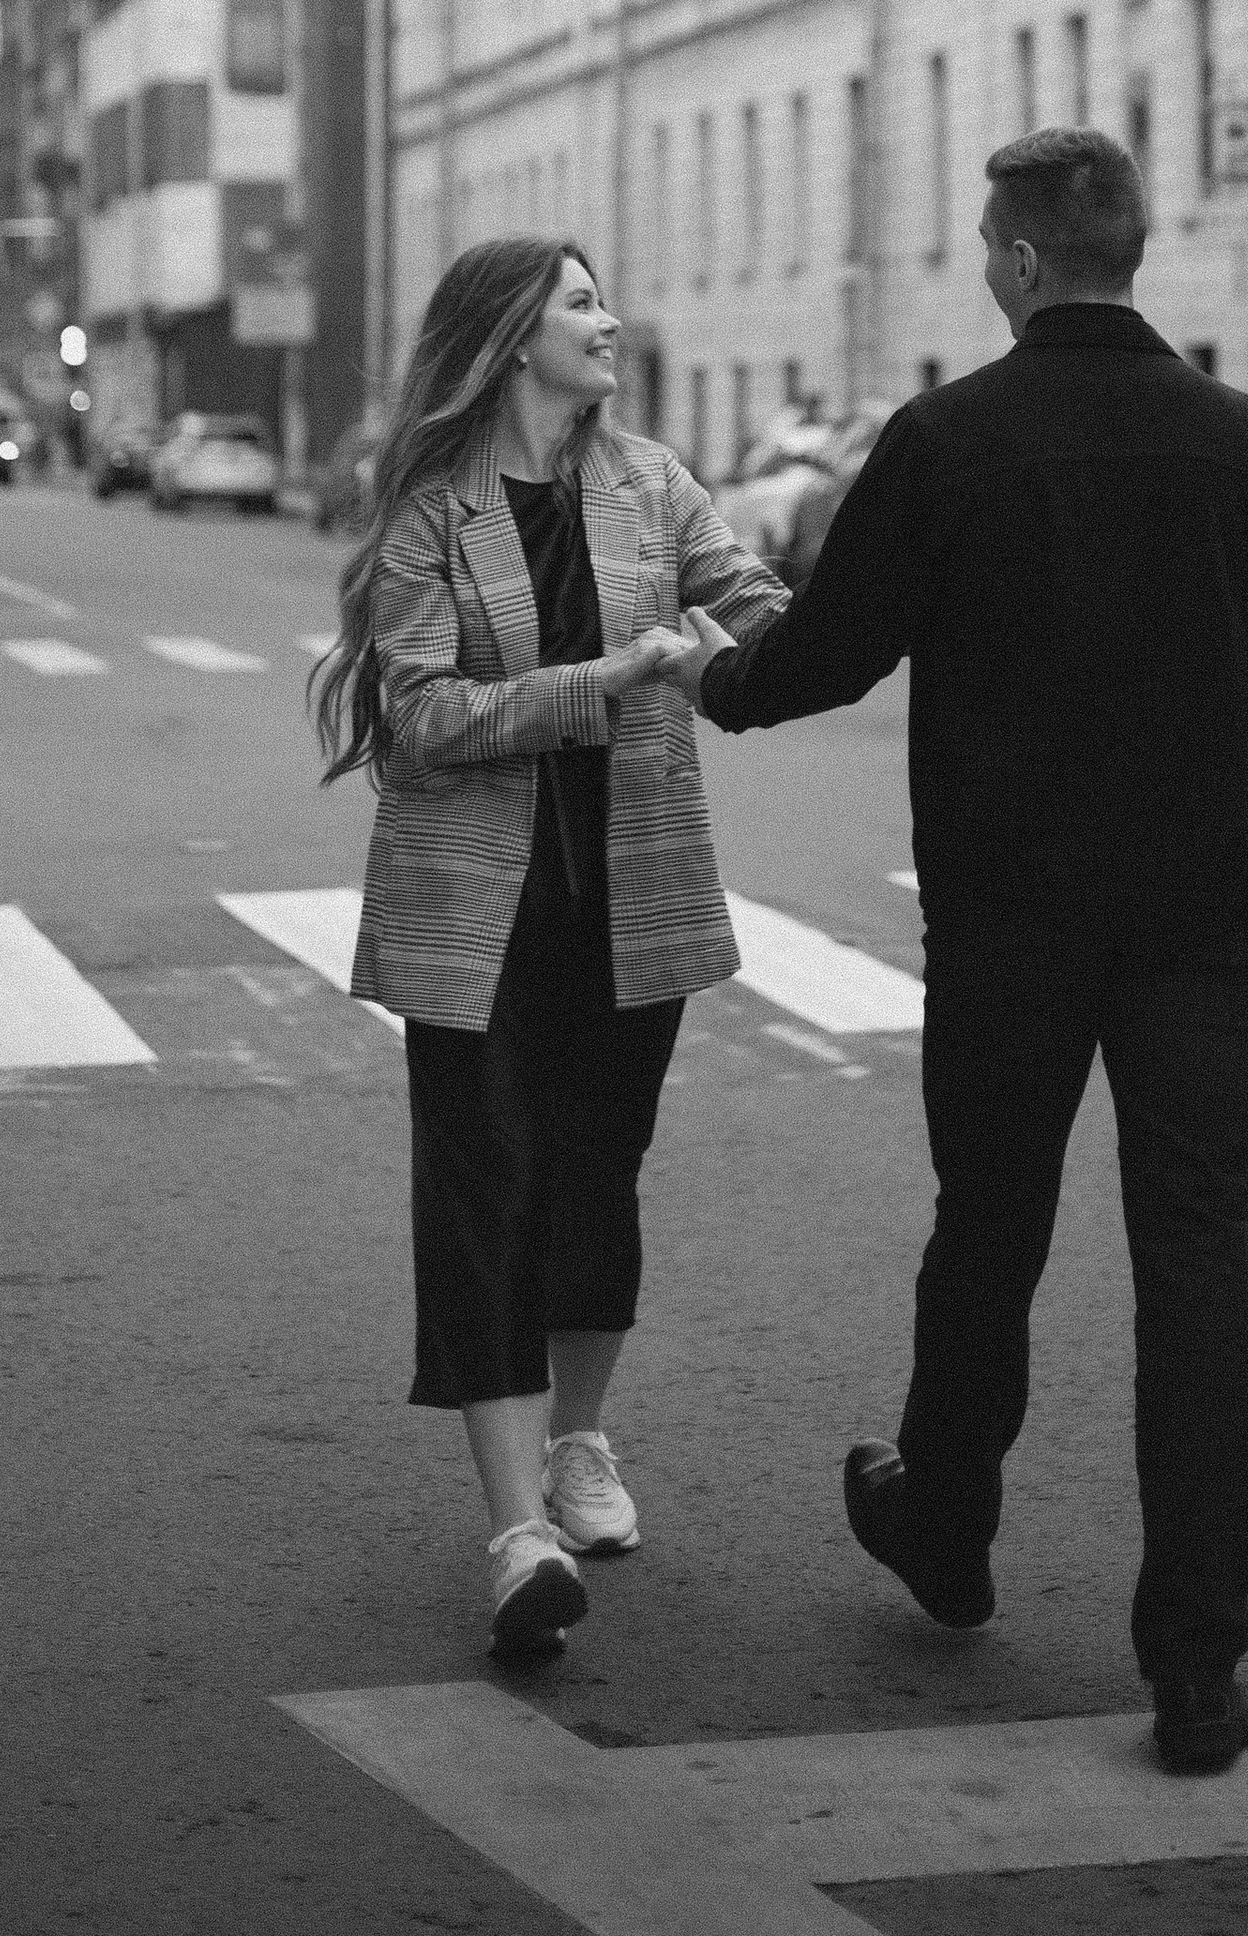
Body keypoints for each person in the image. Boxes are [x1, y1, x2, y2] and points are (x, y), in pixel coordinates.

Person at [666, 127, 1248, 1777]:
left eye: (991, 237)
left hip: (1012, 919)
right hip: (1209, 919)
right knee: (1199, 1258)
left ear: (1028, 261)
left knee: (989, 1221)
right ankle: (1197, 1666)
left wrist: (708, 674)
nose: (987, 257)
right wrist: (1214, 758)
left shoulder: (949, 440)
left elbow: (828, 653)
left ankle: (951, 1522)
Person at [313, 236, 788, 1663]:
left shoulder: (649, 482)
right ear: (514, 334)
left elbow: (756, 604)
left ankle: (581, 1439)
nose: (611, 318)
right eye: (581, 301)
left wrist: (769, 642)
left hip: (627, 889)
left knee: (597, 1177)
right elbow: (427, 717)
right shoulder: (427, 512)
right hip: (475, 907)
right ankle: (517, 1525)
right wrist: (614, 674)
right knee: (483, 1190)